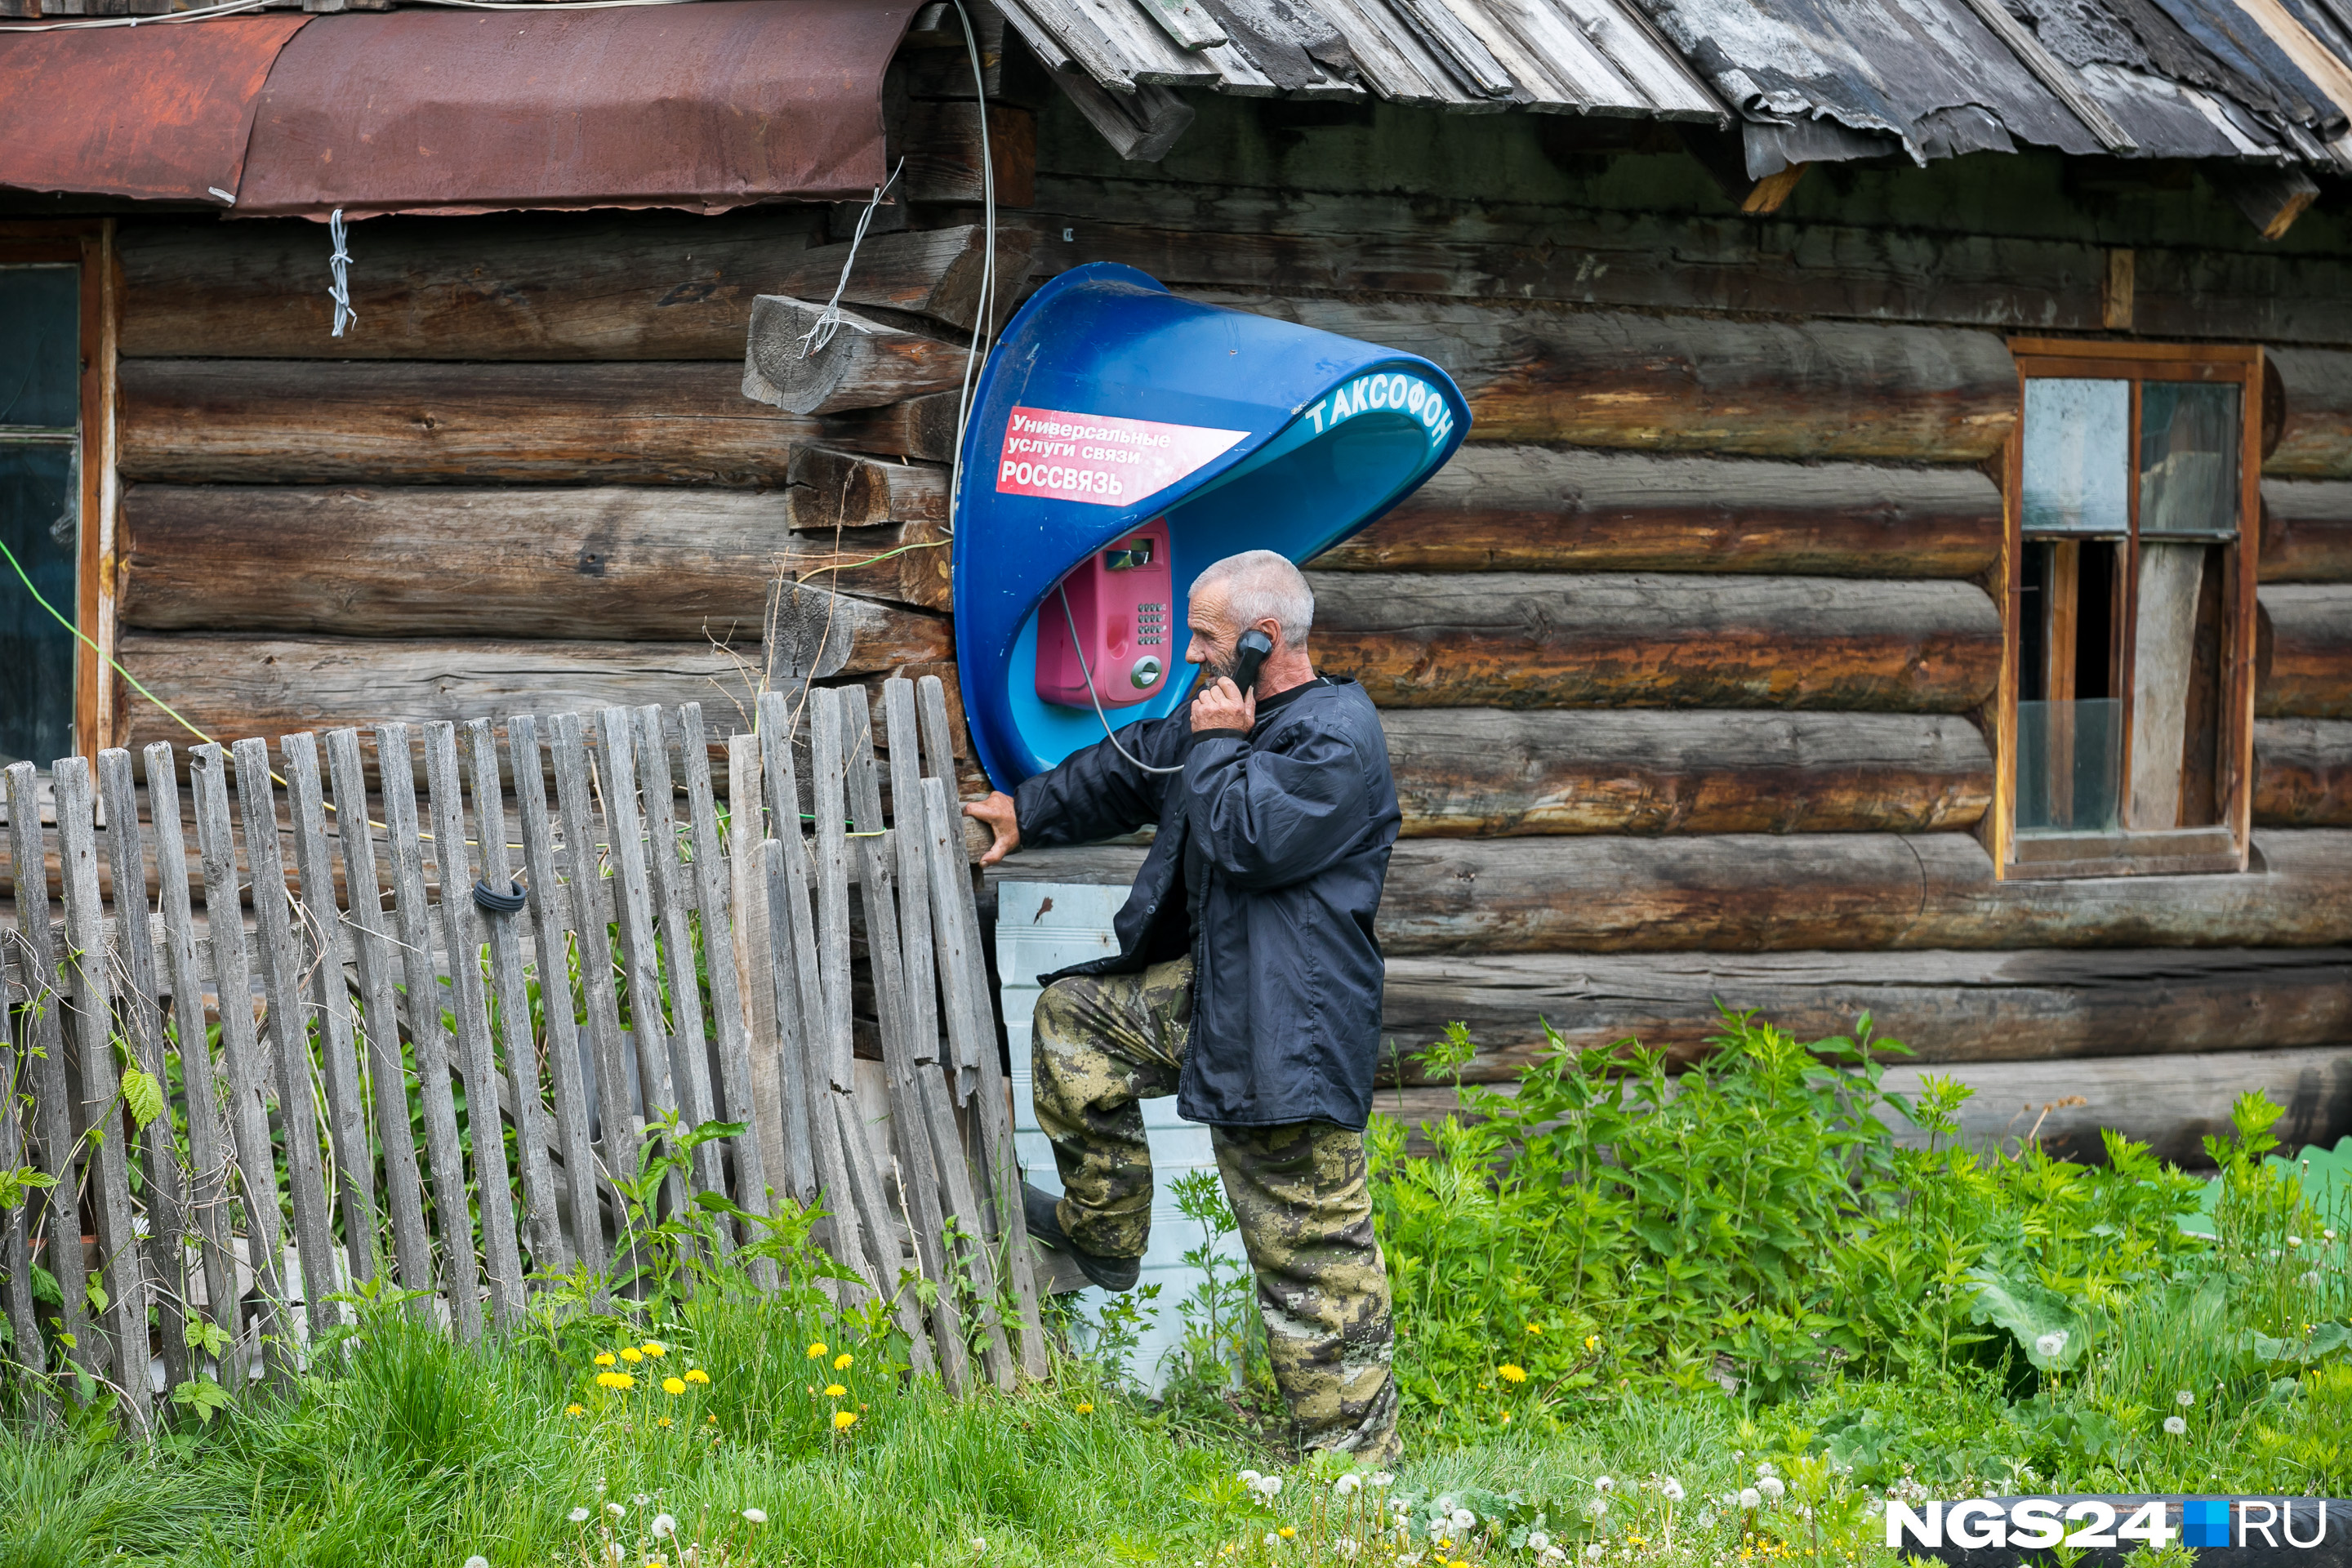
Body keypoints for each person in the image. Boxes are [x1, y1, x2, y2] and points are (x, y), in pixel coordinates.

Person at [962, 548, 1403, 1462]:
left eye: (1206, 637)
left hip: (1292, 1034)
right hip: (1216, 1001)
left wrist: (1215, 743)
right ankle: (1106, 1233)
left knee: (1313, 1263)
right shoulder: (1222, 718)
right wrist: (1025, 812)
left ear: (1262, 639)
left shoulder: (1335, 738)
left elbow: (1246, 837)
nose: (1191, 654)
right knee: (1078, 1020)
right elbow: (1130, 773)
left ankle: (1358, 1478)